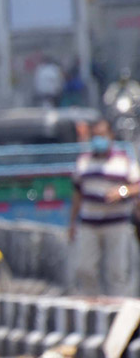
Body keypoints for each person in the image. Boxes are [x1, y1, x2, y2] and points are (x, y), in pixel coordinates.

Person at [69, 119, 140, 296]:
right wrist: (72, 223)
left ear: (110, 136)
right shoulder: (83, 162)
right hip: (89, 223)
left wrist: (122, 191)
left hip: (116, 223)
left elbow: (137, 185)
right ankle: (92, 308)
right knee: (84, 268)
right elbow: (77, 194)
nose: (98, 140)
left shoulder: (123, 161)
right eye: (95, 136)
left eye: (102, 135)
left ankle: (118, 311)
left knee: (116, 271)